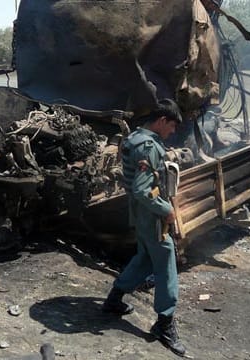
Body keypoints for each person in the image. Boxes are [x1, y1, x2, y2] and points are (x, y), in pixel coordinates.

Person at [102, 98, 186, 356]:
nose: (172, 132)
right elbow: (141, 189)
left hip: (139, 214)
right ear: (161, 121)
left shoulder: (136, 136)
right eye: (171, 127)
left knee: (145, 257)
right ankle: (164, 322)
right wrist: (167, 210)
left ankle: (114, 299)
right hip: (151, 215)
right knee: (166, 260)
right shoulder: (148, 146)